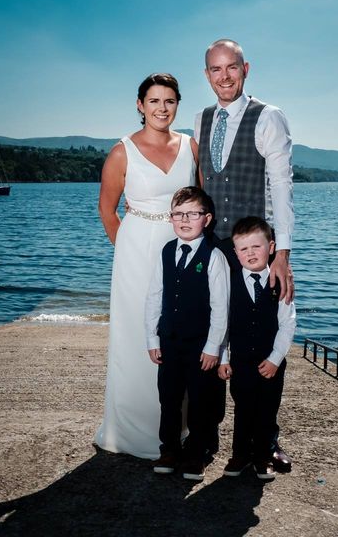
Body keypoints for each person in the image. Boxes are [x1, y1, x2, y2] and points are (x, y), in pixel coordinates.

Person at [194, 38, 295, 471]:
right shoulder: (200, 120)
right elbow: (202, 182)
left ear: (245, 68)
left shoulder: (267, 116)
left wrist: (281, 254)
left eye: (231, 67)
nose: (224, 76)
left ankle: (264, 439)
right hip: (211, 247)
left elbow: (282, 187)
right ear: (207, 75)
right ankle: (205, 437)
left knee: (259, 343)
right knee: (210, 341)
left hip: (252, 249)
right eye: (215, 69)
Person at [95, 73, 199, 460]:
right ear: (140, 105)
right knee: (137, 337)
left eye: (169, 101)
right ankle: (132, 431)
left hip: (183, 250)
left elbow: (201, 202)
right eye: (154, 101)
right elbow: (107, 211)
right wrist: (128, 251)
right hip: (137, 251)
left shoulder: (191, 146)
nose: (162, 108)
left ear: (177, 105)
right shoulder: (122, 151)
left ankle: (180, 426)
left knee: (180, 333)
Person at [144, 186, 230, 480]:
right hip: (169, 341)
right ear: (171, 218)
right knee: (168, 399)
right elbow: (154, 297)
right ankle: (168, 448)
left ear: (206, 219)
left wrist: (214, 347)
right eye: (178, 214)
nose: (184, 220)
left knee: (200, 401)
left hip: (200, 345)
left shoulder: (214, 256)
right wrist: (152, 338)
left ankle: (198, 453)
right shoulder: (166, 251)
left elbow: (221, 308)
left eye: (192, 214)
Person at [218, 216, 296, 481]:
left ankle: (262, 458)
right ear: (235, 253)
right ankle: (240, 456)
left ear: (271, 248)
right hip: (240, 362)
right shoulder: (229, 283)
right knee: (243, 409)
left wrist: (275, 359)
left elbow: (287, 325)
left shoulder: (280, 281)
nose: (250, 253)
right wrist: (223, 358)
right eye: (243, 249)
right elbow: (223, 324)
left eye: (257, 247)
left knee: (266, 410)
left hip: (271, 364)